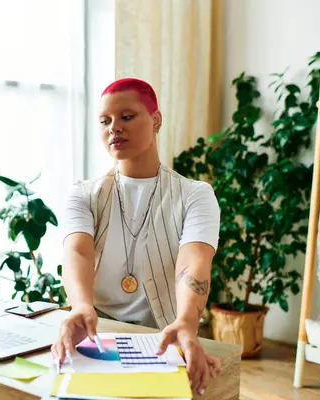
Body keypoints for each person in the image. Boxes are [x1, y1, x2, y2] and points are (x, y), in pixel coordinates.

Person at [51, 78, 222, 396]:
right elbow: (78, 251)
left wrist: (186, 321)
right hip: (99, 329)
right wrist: (80, 306)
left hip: (162, 333)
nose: (114, 128)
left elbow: (194, 259)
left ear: (156, 120)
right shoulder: (83, 194)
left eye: (126, 117)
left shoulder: (195, 195)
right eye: (105, 121)